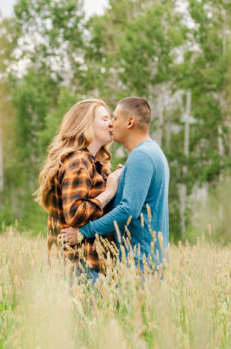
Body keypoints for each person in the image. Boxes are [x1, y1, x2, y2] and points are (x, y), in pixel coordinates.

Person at [58, 96, 170, 270]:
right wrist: (124, 180)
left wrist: (83, 232)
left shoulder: (140, 156)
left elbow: (128, 210)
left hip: (139, 263)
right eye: (106, 119)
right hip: (144, 260)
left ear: (130, 122)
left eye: (115, 118)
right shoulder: (153, 152)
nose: (111, 123)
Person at [35, 98, 123, 282]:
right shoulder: (78, 161)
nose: (111, 123)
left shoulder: (93, 163)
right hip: (81, 267)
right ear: (86, 124)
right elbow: (75, 214)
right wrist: (108, 192)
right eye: (105, 118)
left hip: (89, 266)